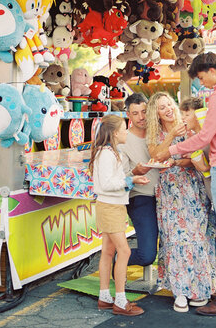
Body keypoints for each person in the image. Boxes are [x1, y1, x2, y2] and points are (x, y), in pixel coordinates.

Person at [155, 52, 216, 316]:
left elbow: (204, 137)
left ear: (211, 70)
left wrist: (172, 149)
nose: (202, 85)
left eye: (201, 78)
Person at [146, 92, 216, 313]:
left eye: (169, 104)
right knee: (174, 238)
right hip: (170, 191)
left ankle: (201, 289)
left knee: (198, 235)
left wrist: (179, 161)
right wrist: (170, 137)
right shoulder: (154, 134)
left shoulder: (188, 126)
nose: (168, 109)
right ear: (156, 114)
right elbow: (156, 157)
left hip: (192, 187)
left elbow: (198, 156)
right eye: (162, 107)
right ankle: (179, 290)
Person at [90, 114, 149, 317]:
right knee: (123, 252)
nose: (126, 132)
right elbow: (107, 184)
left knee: (108, 252)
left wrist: (131, 178)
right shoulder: (107, 154)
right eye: (124, 129)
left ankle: (105, 297)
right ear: (115, 133)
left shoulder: (107, 152)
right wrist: (130, 181)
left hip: (111, 206)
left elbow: (110, 180)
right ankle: (121, 300)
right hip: (110, 206)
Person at [119, 93, 159, 268]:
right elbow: (121, 179)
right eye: (135, 113)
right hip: (140, 197)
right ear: (128, 114)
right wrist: (136, 172)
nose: (141, 117)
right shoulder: (122, 141)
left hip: (166, 195)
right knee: (147, 255)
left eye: (144, 111)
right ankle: (118, 259)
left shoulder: (158, 134)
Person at [179, 97, 212, 200]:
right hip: (208, 192)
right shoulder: (194, 138)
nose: (182, 118)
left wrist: (206, 168)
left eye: (187, 115)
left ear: (199, 115)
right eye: (182, 114)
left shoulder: (209, 136)